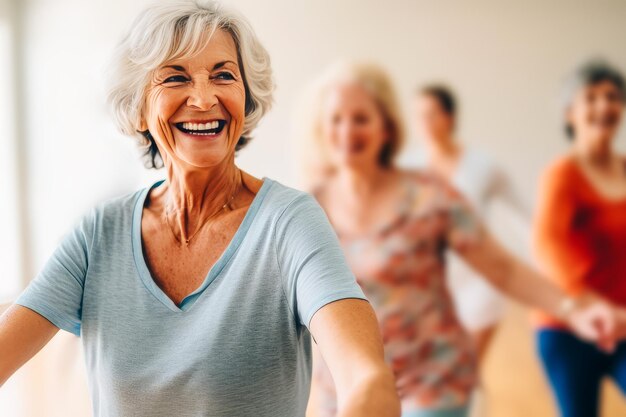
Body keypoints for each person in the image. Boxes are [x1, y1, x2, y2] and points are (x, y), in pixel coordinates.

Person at [0, 2, 401, 416]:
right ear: (138, 108)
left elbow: (365, 376)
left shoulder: (288, 222)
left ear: (245, 100)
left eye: (223, 75)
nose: (204, 98)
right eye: (176, 77)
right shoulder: (99, 233)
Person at [301, 61, 622, 417]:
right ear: (321, 129)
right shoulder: (306, 209)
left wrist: (573, 310)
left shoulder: (428, 194)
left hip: (431, 384)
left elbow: (503, 268)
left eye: (360, 118)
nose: (347, 131)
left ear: (386, 127)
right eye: (336, 119)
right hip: (346, 391)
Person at [400, 84, 529, 360]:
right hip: (427, 289)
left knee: (466, 368)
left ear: (450, 117)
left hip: (480, 284)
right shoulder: (407, 168)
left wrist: (547, 264)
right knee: (436, 373)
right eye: (418, 116)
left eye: (431, 114)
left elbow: (525, 219)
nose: (423, 123)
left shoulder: (483, 166)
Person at [533, 59, 626, 417]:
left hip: (622, 323)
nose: (604, 105)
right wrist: (588, 304)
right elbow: (546, 244)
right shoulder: (562, 174)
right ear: (570, 113)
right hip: (567, 327)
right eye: (591, 97)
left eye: (612, 96)